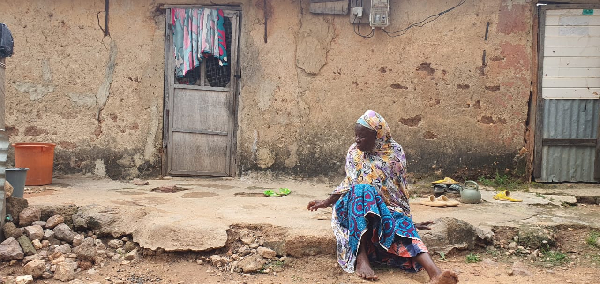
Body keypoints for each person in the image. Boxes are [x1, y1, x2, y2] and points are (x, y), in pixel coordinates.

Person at [307, 110, 458, 283]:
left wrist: (407, 219)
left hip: (383, 210)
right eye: (356, 135)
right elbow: (349, 182)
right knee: (362, 190)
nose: (357, 140)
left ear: (378, 135)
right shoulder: (354, 153)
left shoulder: (394, 153)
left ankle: (435, 273)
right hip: (352, 210)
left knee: (399, 224)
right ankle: (361, 257)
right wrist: (326, 202)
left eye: (362, 137)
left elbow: (398, 191)